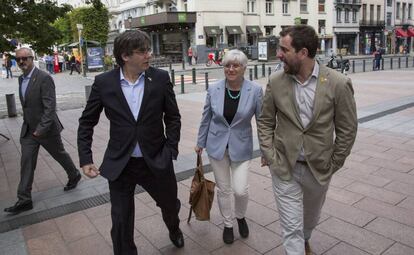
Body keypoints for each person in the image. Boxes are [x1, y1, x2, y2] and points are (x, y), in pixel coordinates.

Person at [77, 30, 183, 255]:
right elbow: (87, 122)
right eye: (143, 51)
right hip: (121, 164)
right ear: (125, 56)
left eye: (148, 50)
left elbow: (173, 117)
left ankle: (174, 228)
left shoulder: (160, 78)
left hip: (155, 160)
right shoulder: (104, 83)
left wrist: (170, 150)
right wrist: (85, 158)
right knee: (121, 221)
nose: (149, 55)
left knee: (170, 206)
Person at [257, 25, 357, 255]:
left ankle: (306, 238)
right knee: (291, 228)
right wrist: (271, 155)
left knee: (309, 220)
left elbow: (348, 128)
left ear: (303, 53)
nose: (279, 54)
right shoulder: (276, 81)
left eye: (284, 49)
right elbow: (265, 121)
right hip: (284, 167)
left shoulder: (338, 83)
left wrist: (334, 163)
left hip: (319, 168)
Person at [195, 49, 263, 244]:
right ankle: (227, 224)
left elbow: (262, 121)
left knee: (240, 190)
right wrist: (200, 142)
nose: (231, 69)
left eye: (235, 65)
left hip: (241, 147)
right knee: (224, 189)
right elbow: (206, 117)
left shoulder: (255, 90)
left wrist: (267, 149)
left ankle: (240, 216)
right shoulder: (214, 89)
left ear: (244, 68)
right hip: (216, 146)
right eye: (227, 65)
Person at [4, 48, 81, 215]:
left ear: (32, 59)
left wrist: (40, 129)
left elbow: (50, 107)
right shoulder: (21, 79)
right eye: (18, 59)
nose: (22, 62)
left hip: (46, 129)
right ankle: (24, 199)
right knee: (26, 162)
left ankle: (74, 174)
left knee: (59, 154)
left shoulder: (44, 78)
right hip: (29, 131)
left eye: (25, 58)